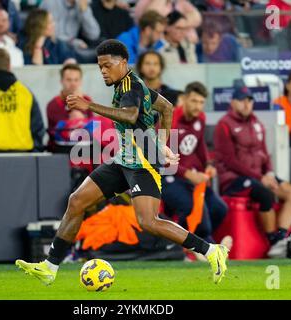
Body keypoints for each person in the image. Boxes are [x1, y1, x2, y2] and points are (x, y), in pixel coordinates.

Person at [15, 39, 229, 285]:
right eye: (100, 67)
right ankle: (50, 267)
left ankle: (211, 250)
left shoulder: (131, 88)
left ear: (123, 63)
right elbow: (167, 108)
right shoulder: (130, 84)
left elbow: (131, 114)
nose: (103, 71)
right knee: (77, 201)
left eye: (107, 65)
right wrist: (163, 144)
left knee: (148, 222)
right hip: (124, 159)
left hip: (143, 163)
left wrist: (89, 105)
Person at [214, 85, 291, 258]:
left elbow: (264, 153)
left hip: (258, 176)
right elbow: (229, 161)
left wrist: (268, 173)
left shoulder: (257, 123)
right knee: (265, 194)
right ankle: (273, 241)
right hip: (234, 179)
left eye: (249, 100)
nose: (246, 104)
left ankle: (282, 236)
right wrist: (260, 177)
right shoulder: (224, 125)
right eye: (242, 100)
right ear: (233, 102)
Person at [162, 82, 229, 258]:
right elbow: (162, 157)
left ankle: (198, 247)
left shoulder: (200, 119)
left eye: (201, 102)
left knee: (219, 209)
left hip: (190, 178)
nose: (197, 106)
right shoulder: (170, 120)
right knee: (194, 210)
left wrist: (208, 165)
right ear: (183, 99)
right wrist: (189, 173)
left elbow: (200, 146)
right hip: (168, 177)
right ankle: (207, 248)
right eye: (193, 101)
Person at [46, 63, 93, 151]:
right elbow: (68, 132)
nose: (73, 84)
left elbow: (92, 128)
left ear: (81, 82)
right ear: (61, 81)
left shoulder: (87, 100)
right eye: (69, 80)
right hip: (60, 150)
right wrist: (76, 106)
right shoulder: (53, 105)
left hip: (84, 149)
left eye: (76, 80)